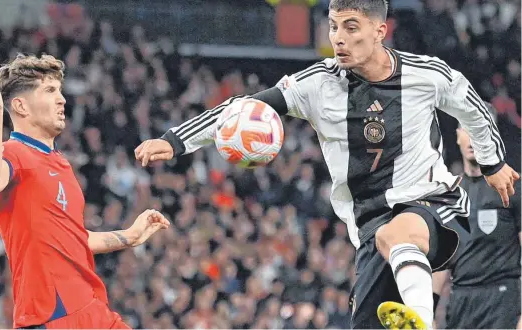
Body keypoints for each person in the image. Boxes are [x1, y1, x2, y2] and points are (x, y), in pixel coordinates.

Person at [134, 0, 519, 328]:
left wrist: (492, 163)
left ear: (379, 30)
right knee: (372, 294)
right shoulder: (317, 84)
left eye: (351, 27)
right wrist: (176, 140)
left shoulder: (425, 74)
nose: (338, 37)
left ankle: (421, 321)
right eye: (333, 26)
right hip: (368, 226)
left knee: (397, 234)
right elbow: (244, 108)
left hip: (435, 205)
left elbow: (472, 108)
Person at [0, 54, 170, 329]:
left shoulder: (60, 162)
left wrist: (128, 236)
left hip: (91, 307)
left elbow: (72, 239)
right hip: (53, 315)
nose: (62, 99)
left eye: (60, 90)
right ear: (20, 106)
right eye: (50, 90)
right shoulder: (13, 152)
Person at [432, 104, 521, 329]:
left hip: (502, 300)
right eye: (467, 129)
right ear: (457, 135)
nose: (472, 138)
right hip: (461, 302)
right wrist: (429, 310)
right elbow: (441, 262)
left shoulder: (512, 186)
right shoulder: (447, 194)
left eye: (480, 129)